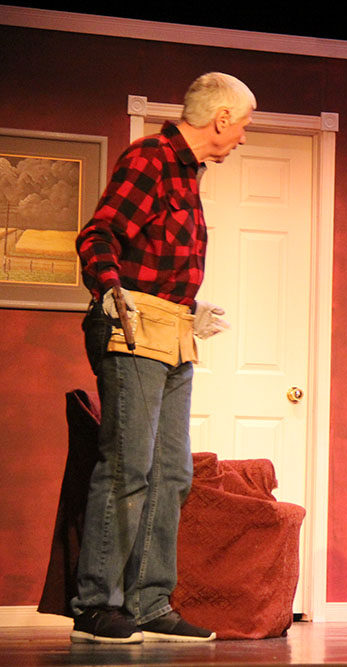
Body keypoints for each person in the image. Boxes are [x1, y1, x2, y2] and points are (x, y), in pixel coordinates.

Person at [71, 72, 255, 644]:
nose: (243, 136)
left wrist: (189, 307)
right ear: (221, 119)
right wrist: (110, 287)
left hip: (171, 330)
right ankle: (97, 603)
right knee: (129, 465)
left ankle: (150, 602)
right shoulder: (151, 158)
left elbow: (157, 257)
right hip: (133, 327)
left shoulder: (189, 173)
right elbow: (99, 234)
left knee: (172, 471)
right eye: (244, 124)